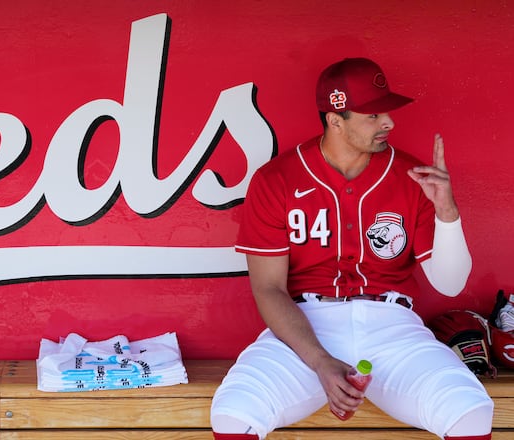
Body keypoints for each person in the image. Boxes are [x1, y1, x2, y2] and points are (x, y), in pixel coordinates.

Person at [210, 58, 493, 440]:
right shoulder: (276, 180)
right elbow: (268, 289)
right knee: (233, 413)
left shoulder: (414, 177)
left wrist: (447, 212)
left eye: (387, 112)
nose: (388, 123)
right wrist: (319, 361)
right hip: (307, 327)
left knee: (471, 412)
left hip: (394, 328)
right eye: (373, 115)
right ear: (335, 119)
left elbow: (451, 283)